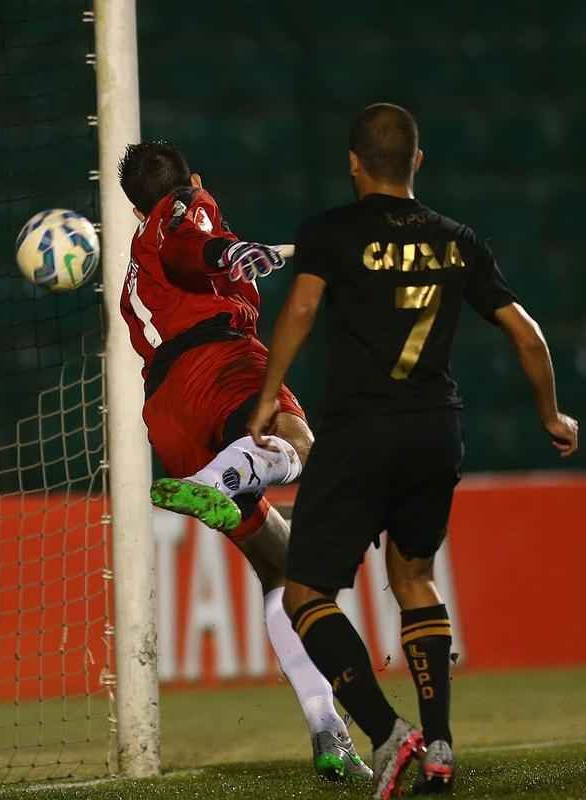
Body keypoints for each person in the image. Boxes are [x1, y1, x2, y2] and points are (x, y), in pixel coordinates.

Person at [244, 103, 579, 798]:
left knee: (307, 591)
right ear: (416, 163)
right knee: (415, 576)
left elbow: (301, 310)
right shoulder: (459, 241)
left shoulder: (330, 233)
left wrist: (269, 393)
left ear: (354, 162)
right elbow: (528, 337)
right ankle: (443, 746)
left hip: (361, 431)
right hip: (436, 430)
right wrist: (551, 413)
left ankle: (387, 732)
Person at [117, 141, 371, 781]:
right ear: (192, 180)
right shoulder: (186, 209)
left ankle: (327, 729)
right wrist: (225, 250)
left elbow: (178, 259)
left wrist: (230, 256)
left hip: (168, 415)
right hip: (218, 366)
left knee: (283, 572)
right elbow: (190, 246)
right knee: (302, 444)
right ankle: (214, 480)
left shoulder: (134, 264)